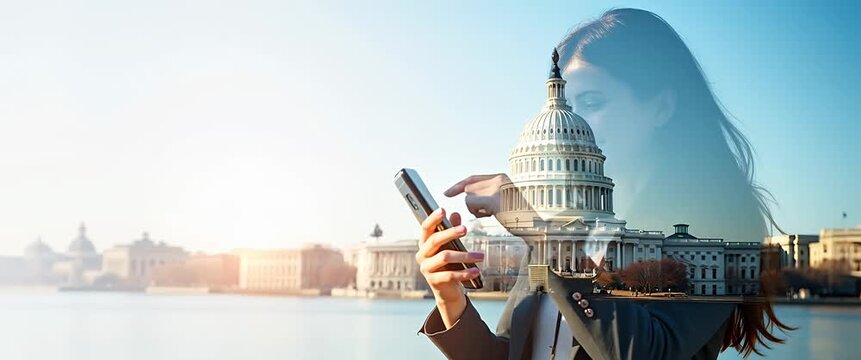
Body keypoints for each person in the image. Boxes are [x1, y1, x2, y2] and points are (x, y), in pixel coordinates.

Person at [414, 8, 793, 360]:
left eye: (593, 102)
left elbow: (642, 352)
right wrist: (451, 299)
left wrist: (534, 230)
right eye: (573, 107)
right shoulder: (557, 234)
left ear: (661, 106)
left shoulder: (712, 228)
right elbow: (517, 352)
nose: (579, 125)